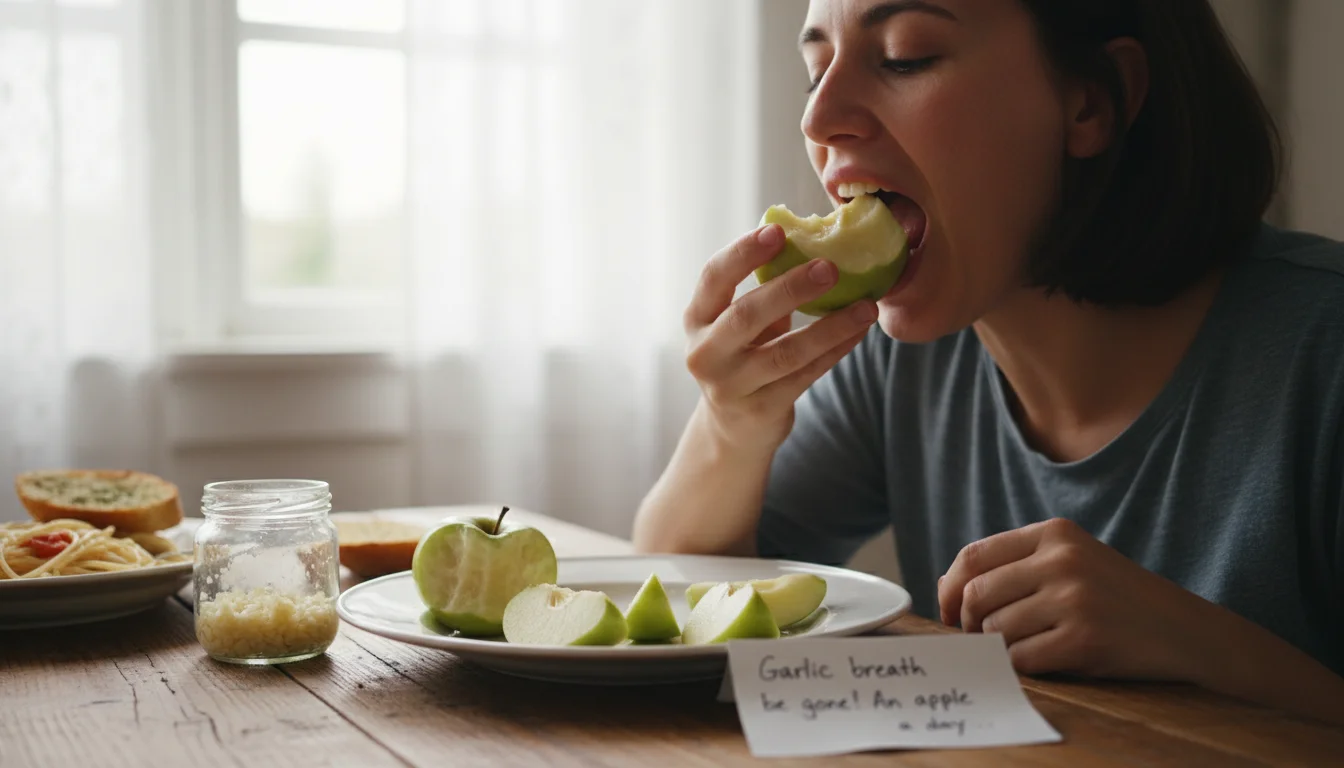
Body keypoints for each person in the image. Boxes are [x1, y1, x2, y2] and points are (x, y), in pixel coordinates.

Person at [633, 0, 1344, 725]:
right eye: (817, 70)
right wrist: (731, 425)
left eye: (905, 57)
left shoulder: (1326, 355)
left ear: (1090, 104)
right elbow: (681, 589)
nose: (820, 119)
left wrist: (1205, 648)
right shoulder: (900, 359)